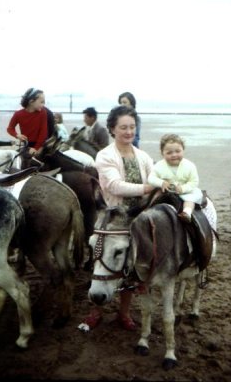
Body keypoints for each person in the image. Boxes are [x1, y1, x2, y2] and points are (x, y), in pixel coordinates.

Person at [80, 105, 154, 331]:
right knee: (101, 259)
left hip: (137, 218)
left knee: (130, 267)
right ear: (112, 129)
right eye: (123, 127)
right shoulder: (105, 155)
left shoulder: (143, 156)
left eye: (132, 127)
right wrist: (147, 188)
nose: (129, 131)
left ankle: (124, 313)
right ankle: (96, 310)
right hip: (112, 216)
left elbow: (154, 180)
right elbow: (114, 185)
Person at [148, 133, 203, 223]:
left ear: (183, 150)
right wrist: (161, 182)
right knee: (153, 199)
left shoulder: (189, 166)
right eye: (169, 153)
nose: (174, 155)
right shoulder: (159, 165)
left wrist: (183, 188)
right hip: (166, 192)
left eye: (178, 151)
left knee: (190, 200)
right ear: (162, 153)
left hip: (185, 191)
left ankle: (186, 213)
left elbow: (194, 181)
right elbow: (151, 178)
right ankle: (148, 214)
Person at [7, 88, 48, 169]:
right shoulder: (18, 114)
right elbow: (10, 128)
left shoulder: (42, 112)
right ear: (31, 101)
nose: (43, 105)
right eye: (41, 102)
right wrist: (17, 135)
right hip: (26, 145)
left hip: (40, 144)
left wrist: (36, 148)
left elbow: (43, 132)